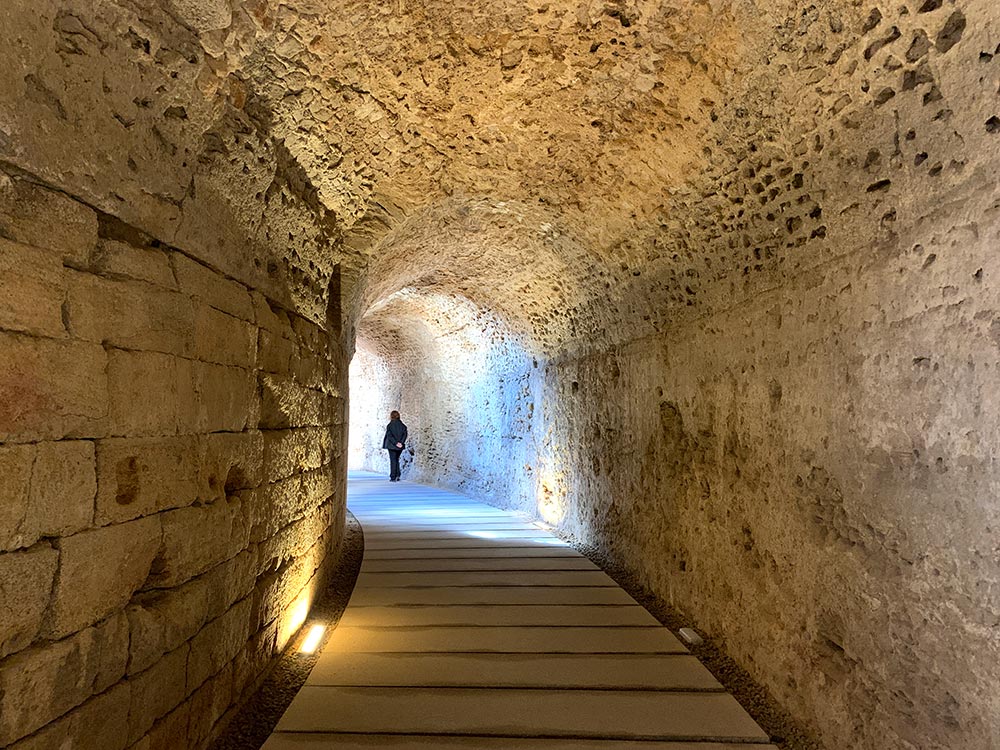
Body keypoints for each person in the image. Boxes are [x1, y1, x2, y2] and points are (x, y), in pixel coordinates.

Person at [382, 410, 408, 482]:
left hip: (391, 445)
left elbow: (389, 436)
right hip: (400, 446)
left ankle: (393, 476)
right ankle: (398, 475)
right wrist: (401, 443)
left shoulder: (390, 425)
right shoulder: (403, 426)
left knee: (393, 460)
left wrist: (396, 443)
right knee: (397, 459)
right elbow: (405, 435)